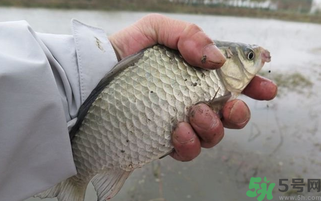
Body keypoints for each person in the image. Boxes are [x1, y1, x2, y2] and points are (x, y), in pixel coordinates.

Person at [0, 14, 277, 201]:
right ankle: (75, 180)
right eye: (249, 56)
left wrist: (97, 62)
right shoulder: (212, 65)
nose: (255, 60)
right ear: (225, 57)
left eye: (250, 55)